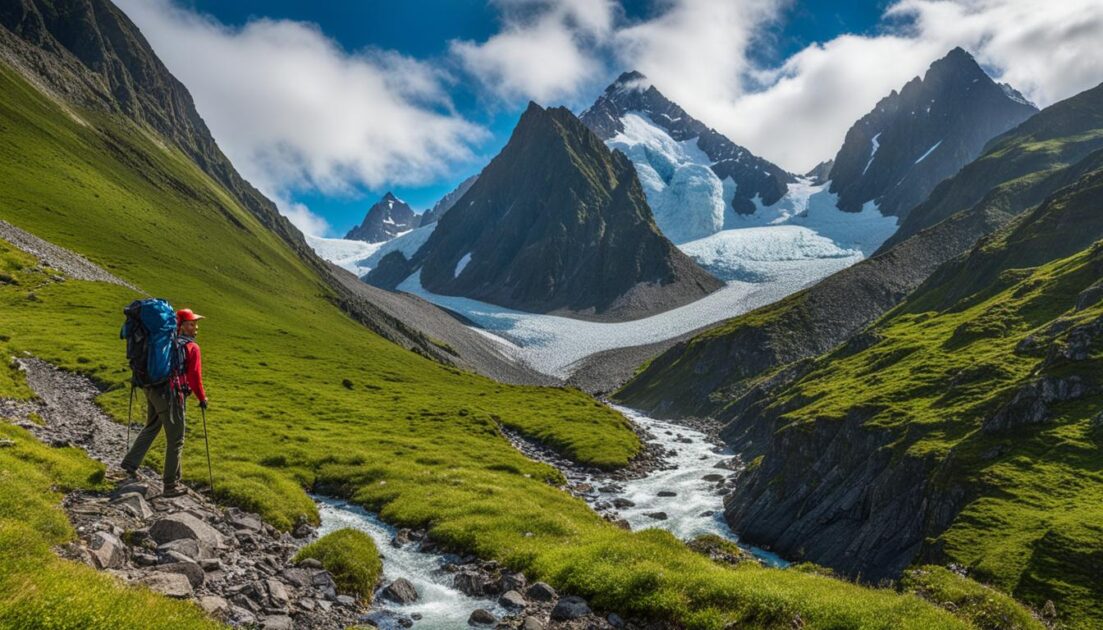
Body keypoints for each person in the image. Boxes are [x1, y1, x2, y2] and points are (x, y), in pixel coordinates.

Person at [121, 308, 209, 497]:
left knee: (152, 427)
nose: (196, 327)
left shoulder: (167, 343)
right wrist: (202, 398)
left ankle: (128, 466)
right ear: (182, 326)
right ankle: (170, 485)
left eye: (195, 323)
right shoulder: (192, 347)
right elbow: (194, 376)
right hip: (171, 394)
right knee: (176, 438)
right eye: (192, 324)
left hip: (152, 387)